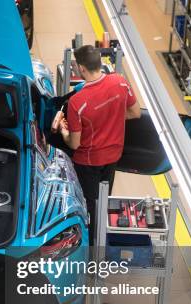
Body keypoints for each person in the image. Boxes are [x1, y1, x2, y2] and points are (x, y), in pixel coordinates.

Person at [57, 45, 141, 244]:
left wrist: (63, 130)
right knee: (102, 201)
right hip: (113, 156)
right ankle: (100, 238)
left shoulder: (77, 102)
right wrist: (109, 119)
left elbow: (75, 144)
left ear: (82, 69)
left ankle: (92, 247)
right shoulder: (120, 82)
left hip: (88, 162)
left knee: (89, 206)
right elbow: (135, 112)